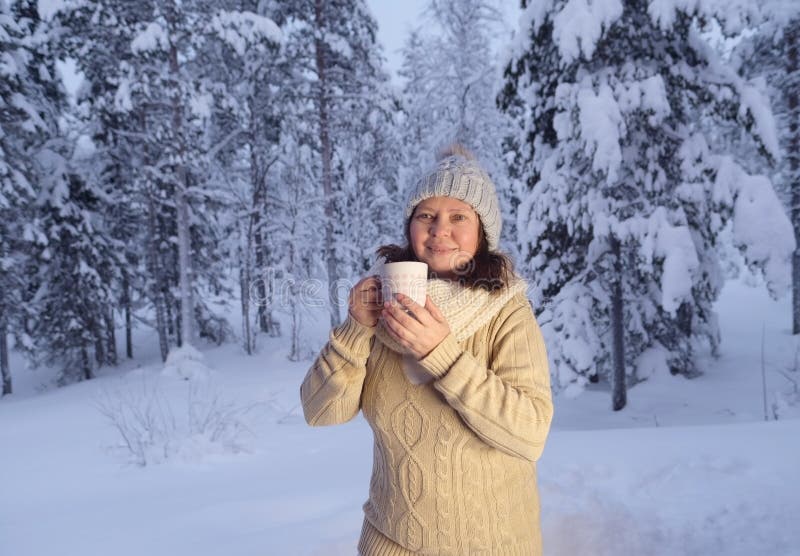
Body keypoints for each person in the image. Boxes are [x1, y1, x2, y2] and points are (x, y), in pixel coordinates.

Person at [300, 145, 553, 555]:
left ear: (483, 232)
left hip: (494, 545)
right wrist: (354, 331)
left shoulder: (507, 310)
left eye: (458, 217)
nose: (439, 230)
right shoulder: (381, 307)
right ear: (410, 227)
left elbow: (530, 433)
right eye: (426, 216)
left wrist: (443, 354)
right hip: (391, 541)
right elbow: (320, 412)